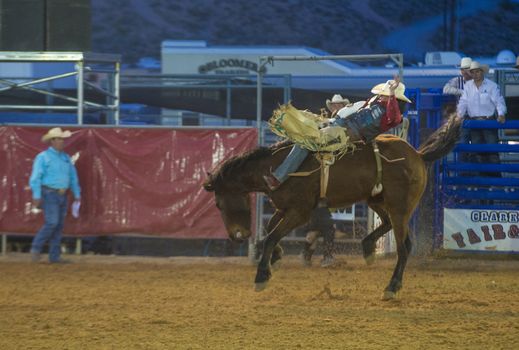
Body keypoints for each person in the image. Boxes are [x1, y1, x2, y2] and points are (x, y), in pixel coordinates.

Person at [263, 77, 411, 191]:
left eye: (385, 95)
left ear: (394, 99)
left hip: (348, 133)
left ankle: (279, 178)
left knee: (306, 143)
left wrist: (391, 93)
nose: (381, 97)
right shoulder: (376, 104)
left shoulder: (394, 115)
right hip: (340, 125)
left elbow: (393, 116)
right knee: (304, 128)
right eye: (383, 94)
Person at [29, 127, 81, 263]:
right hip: (49, 193)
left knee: (57, 225)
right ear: (52, 141)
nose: (62, 142)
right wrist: (36, 195)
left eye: (62, 139)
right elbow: (36, 178)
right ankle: (35, 248)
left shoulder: (65, 158)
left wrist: (77, 193)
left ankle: (54, 256)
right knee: (53, 223)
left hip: (61, 194)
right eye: (59, 139)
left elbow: (73, 177)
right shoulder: (43, 157)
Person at [457, 61, 507, 179]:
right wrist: (459, 115)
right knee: (478, 152)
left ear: (482, 72)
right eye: (473, 72)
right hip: (474, 123)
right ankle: (482, 179)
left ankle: (495, 179)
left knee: (492, 151)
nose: (475, 74)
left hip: (488, 121)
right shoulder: (468, 86)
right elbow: (463, 102)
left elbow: (498, 101)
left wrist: (501, 114)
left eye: (477, 71)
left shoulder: (491, 86)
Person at [443, 57, 474, 172]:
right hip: (464, 118)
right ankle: (464, 174)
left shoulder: (478, 81)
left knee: (476, 146)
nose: (464, 72)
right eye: (462, 69)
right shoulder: (458, 81)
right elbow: (446, 89)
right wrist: (461, 92)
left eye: (466, 69)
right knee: (464, 144)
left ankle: (473, 174)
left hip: (477, 117)